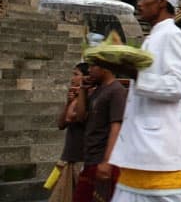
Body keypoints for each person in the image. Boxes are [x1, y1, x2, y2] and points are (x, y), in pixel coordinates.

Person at [109, 0, 181, 201]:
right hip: (139, 153)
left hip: (161, 155)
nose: (139, 3)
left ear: (162, 2)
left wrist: (130, 70)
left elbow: (178, 86)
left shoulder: (174, 36)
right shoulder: (152, 38)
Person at [73, 57, 127, 202]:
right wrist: (83, 90)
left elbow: (116, 126)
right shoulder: (97, 91)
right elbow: (80, 117)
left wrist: (107, 161)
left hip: (104, 160)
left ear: (104, 68)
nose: (89, 70)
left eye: (92, 66)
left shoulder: (116, 91)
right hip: (91, 158)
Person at [49, 62, 90, 202]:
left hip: (82, 158)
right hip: (68, 158)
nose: (73, 78)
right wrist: (68, 102)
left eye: (76, 75)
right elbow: (61, 124)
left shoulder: (90, 97)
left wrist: (78, 99)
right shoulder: (74, 97)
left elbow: (73, 117)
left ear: (85, 77)